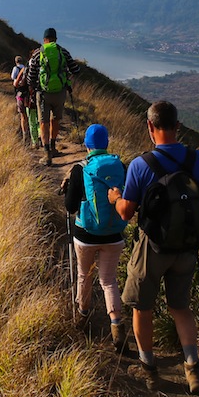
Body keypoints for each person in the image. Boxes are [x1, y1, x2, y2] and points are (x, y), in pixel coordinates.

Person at [109, 100, 199, 394]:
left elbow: (126, 212)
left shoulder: (141, 165)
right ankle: (194, 371)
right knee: (181, 308)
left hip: (152, 248)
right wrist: (195, 228)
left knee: (141, 308)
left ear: (150, 127)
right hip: (187, 249)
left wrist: (115, 198)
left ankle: (149, 370)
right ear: (177, 126)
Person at [61, 124, 127, 350]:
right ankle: (117, 327)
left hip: (85, 234)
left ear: (87, 145)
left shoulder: (81, 169)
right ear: (106, 143)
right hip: (114, 234)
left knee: (84, 275)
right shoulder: (120, 165)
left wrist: (69, 188)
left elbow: (70, 207)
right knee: (109, 281)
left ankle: (82, 315)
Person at [26, 27, 81, 166]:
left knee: (43, 122)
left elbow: (30, 77)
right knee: (56, 119)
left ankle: (47, 154)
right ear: (56, 39)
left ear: (44, 39)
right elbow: (76, 70)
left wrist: (34, 87)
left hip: (43, 94)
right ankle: (53, 147)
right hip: (60, 93)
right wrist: (65, 77)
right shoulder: (63, 52)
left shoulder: (38, 53)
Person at [11, 56, 30, 143]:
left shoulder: (16, 68)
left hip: (20, 92)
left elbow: (13, 78)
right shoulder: (27, 68)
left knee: (23, 115)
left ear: (15, 61)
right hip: (29, 94)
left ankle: (25, 134)